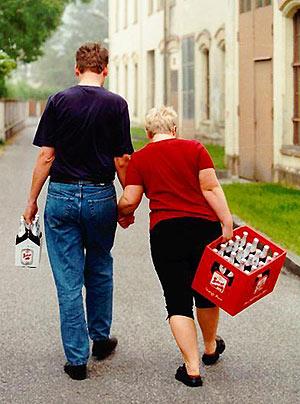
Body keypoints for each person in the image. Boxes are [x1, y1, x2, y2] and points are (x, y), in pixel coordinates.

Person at [23, 42, 134, 380]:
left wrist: (31, 200)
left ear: (76, 69)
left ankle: (76, 360)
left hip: (63, 196)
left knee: (68, 279)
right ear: (106, 69)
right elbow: (122, 160)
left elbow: (47, 156)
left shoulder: (58, 101)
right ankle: (100, 339)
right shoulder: (117, 105)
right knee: (99, 265)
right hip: (101, 196)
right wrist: (127, 203)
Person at [118, 106, 233, 387]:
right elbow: (210, 188)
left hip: (165, 233)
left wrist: (119, 211)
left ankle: (192, 369)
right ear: (174, 130)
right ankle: (209, 348)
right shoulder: (196, 149)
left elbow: (130, 199)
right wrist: (227, 223)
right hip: (203, 229)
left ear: (148, 133)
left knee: (177, 299)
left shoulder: (141, 158)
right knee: (206, 292)